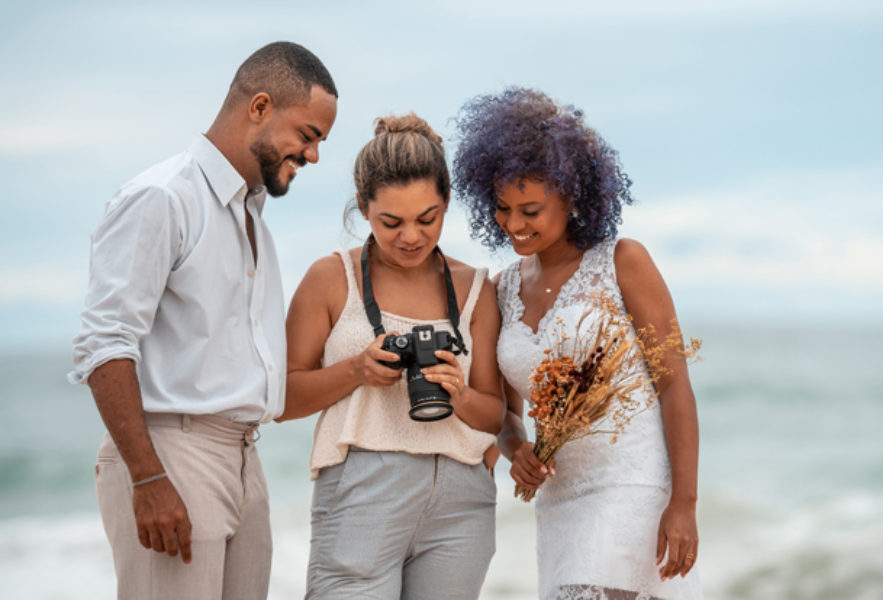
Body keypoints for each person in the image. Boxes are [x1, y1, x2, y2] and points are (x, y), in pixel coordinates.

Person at [68, 42, 338, 600]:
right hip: (173, 453)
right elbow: (105, 345)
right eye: (307, 135)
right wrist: (148, 477)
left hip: (243, 457)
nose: (313, 155)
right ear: (259, 107)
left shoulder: (251, 216)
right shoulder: (163, 198)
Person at [453, 87, 704, 599]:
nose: (514, 225)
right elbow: (506, 412)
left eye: (530, 209)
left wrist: (684, 503)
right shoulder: (501, 289)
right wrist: (516, 449)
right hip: (559, 501)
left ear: (572, 195)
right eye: (502, 208)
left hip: (632, 488)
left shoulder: (624, 263)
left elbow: (675, 386)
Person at [280, 113, 504, 599]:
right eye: (391, 222)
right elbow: (281, 400)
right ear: (363, 206)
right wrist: (356, 370)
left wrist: (460, 394)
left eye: (427, 218)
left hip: (461, 499)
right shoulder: (330, 279)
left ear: (447, 201)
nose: (411, 237)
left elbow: (495, 415)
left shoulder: (475, 289)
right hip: (363, 488)